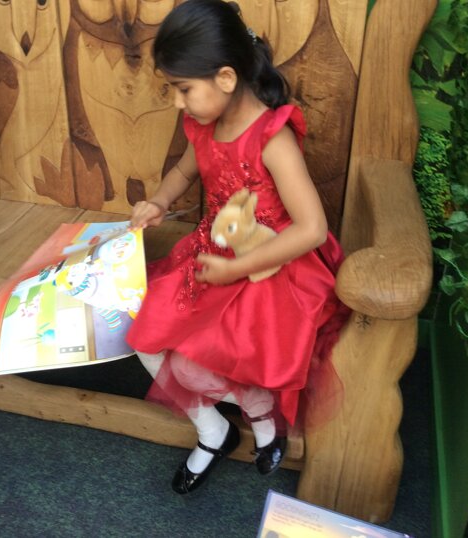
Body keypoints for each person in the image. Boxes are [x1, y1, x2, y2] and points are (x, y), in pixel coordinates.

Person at [128, 0, 349, 494]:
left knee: (212, 354)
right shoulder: (205, 125)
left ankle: (264, 418)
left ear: (226, 78)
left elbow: (312, 229)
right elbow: (185, 170)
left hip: (272, 266)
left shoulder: (272, 137)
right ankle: (214, 430)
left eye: (183, 89)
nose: (178, 103)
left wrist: (238, 269)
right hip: (211, 257)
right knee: (144, 337)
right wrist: (159, 201)